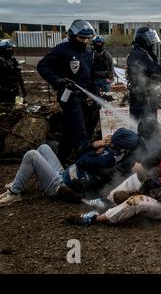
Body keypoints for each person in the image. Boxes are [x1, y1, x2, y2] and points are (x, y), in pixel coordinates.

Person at [0, 128, 140, 206]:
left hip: (60, 186)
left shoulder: (108, 160)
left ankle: (15, 193)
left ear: (119, 145)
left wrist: (96, 151)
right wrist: (94, 145)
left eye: (113, 139)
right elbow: (81, 153)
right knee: (44, 147)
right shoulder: (113, 153)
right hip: (64, 174)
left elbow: (81, 161)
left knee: (31, 155)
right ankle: (19, 181)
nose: (109, 140)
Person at [37, 19, 98, 164]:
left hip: (83, 98)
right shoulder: (62, 49)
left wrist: (97, 95)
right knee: (80, 134)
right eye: (81, 38)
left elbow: (90, 78)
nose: (84, 41)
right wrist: (57, 80)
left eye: (87, 39)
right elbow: (42, 66)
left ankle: (59, 160)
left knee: (69, 131)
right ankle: (84, 166)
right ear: (72, 35)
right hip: (69, 98)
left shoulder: (88, 54)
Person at [0, 39, 27, 151]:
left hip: (17, 93)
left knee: (19, 112)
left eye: (12, 48)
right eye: (8, 49)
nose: (11, 50)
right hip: (4, 94)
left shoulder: (12, 60)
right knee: (4, 116)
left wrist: (23, 88)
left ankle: (16, 134)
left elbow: (19, 76)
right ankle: (2, 139)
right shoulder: (0, 62)